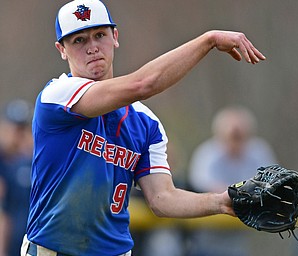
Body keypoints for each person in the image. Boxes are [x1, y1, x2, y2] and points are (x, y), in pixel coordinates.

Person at [21, 0, 266, 255]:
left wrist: (222, 201)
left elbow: (163, 199)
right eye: (79, 40)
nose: (92, 47)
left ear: (115, 37)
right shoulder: (57, 96)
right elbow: (143, 84)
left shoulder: (146, 122)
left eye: (100, 35)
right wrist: (209, 40)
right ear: (62, 49)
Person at [188, 105, 277, 256]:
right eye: (232, 135)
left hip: (242, 239)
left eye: (240, 135)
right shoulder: (207, 153)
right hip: (206, 236)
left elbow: (273, 182)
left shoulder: (258, 151)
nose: (236, 140)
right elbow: (205, 186)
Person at [0, 99, 33, 256]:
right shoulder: (6, 163)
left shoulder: (32, 163)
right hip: (12, 241)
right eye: (13, 129)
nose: (16, 135)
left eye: (21, 130)